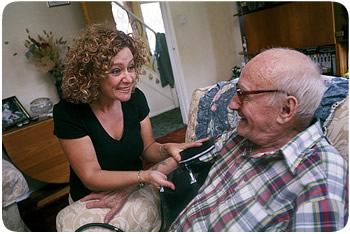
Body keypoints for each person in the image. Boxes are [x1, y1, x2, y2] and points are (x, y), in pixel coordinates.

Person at [169, 48, 348, 231]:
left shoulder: (321, 186)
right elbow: (192, 154)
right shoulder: (243, 134)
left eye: (243, 94)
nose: (232, 104)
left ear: (285, 109)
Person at [53, 24, 205, 224]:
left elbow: (148, 148)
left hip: (135, 185)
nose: (130, 78)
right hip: (94, 197)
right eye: (116, 71)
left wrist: (166, 147)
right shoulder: (68, 112)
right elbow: (91, 175)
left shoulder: (136, 99)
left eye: (131, 67)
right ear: (91, 74)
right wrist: (144, 176)